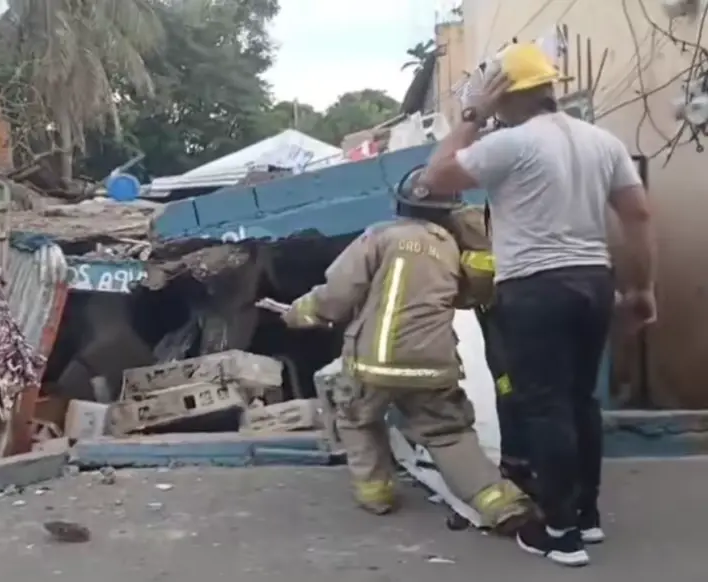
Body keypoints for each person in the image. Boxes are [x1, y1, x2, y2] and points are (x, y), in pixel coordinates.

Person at [418, 42, 655, 567]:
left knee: (545, 405)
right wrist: (641, 289)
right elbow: (637, 215)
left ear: (506, 95)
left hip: (536, 286)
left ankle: (560, 532)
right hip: (594, 280)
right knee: (579, 401)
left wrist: (472, 116)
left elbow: (434, 179)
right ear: (550, 88)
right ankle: (586, 516)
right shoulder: (602, 142)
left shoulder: (509, 144)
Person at [277, 167, 532, 535]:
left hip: (374, 363)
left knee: (356, 418)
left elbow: (338, 293)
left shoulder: (380, 236)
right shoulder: (452, 246)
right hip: (433, 366)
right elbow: (469, 296)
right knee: (448, 434)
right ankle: (501, 503)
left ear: (402, 202)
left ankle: (376, 493)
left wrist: (299, 313)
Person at [443, 205, 535, 497]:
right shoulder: (512, 244)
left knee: (507, 389)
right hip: (525, 321)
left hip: (502, 331)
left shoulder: (472, 259)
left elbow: (466, 296)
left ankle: (516, 462)